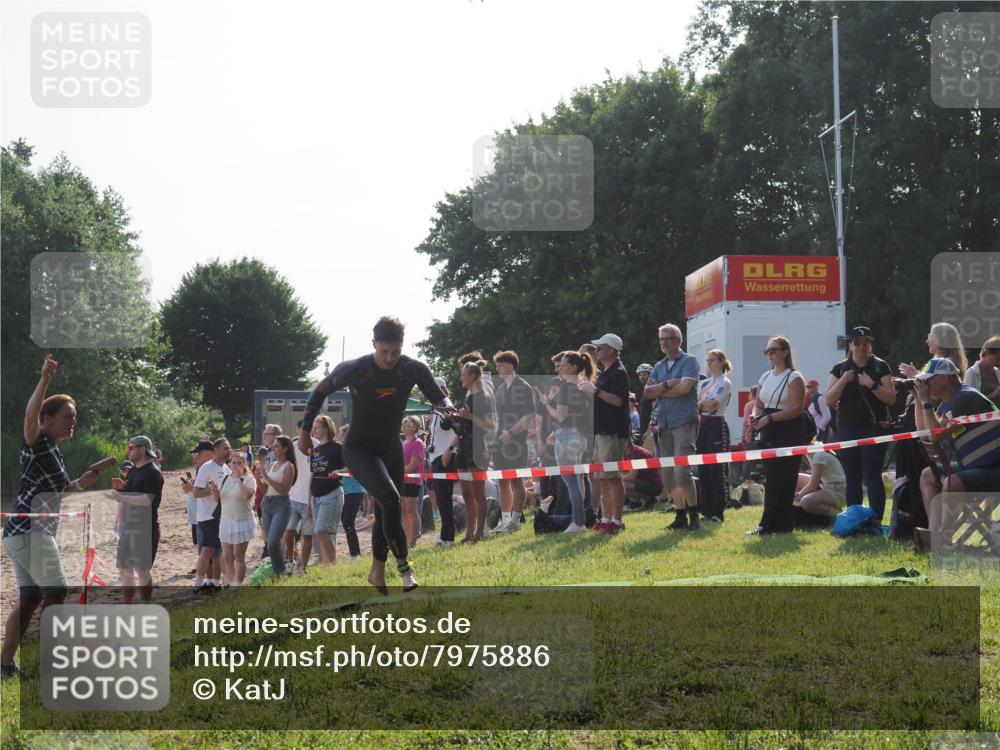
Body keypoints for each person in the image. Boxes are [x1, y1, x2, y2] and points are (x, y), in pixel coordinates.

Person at [298, 316, 451, 594]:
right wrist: (306, 431)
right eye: (384, 351)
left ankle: (377, 572)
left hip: (391, 448)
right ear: (374, 344)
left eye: (396, 351)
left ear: (402, 346)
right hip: (359, 448)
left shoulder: (412, 368)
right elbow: (317, 393)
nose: (390, 358)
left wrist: (448, 409)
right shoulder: (355, 369)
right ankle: (405, 570)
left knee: (386, 510)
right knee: (391, 499)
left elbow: (439, 396)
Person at [2, 355, 99, 679]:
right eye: (67, 416)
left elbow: (57, 489)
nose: (73, 421)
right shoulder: (38, 440)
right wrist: (45, 378)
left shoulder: (53, 450)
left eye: (75, 416)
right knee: (56, 591)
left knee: (30, 598)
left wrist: (79, 484)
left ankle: (4, 665)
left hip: (21, 531)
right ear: (48, 420)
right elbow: (29, 416)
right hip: (31, 530)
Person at [914, 357, 1000, 544]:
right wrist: (918, 401)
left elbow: (935, 435)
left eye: (928, 380)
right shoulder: (948, 402)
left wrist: (926, 402)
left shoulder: (965, 397)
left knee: (953, 483)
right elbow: (925, 435)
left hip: (994, 467)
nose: (925, 385)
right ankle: (933, 534)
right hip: (975, 465)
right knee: (928, 475)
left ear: (944, 379)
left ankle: (942, 540)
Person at [824, 326, 896, 522]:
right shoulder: (840, 369)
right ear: (850, 345)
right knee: (852, 477)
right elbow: (828, 399)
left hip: (874, 429)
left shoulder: (880, 366)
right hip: (847, 428)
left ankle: (875, 521)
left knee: (873, 476)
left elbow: (891, 399)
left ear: (870, 345)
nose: (861, 347)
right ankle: (854, 520)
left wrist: (871, 384)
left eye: (865, 343)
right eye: (857, 343)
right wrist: (844, 380)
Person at [746, 336, 806, 536]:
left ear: (785, 352)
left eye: (774, 350)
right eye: (767, 351)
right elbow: (758, 404)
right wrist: (755, 417)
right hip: (769, 430)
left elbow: (797, 409)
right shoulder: (764, 377)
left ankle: (781, 523)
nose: (770, 355)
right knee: (771, 477)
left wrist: (769, 419)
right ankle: (769, 522)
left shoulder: (794, 377)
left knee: (785, 478)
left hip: (789, 431)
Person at [644, 323, 701, 530]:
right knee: (668, 475)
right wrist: (668, 384)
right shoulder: (659, 366)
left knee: (682, 473)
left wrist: (659, 390)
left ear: (678, 340)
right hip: (664, 424)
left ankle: (694, 515)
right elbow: (647, 393)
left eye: (669, 338)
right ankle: (680, 516)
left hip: (684, 421)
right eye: (662, 339)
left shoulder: (690, 361)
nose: (665, 343)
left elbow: (685, 389)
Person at [537, 351, 595, 533]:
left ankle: (578, 522)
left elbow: (561, 417)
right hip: (579, 437)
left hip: (568, 437)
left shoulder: (567, 389)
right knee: (577, 480)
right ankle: (579, 519)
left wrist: (546, 404)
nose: (560, 367)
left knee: (571, 481)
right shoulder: (582, 388)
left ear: (574, 367)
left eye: (563, 364)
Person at [580, 333, 630, 534]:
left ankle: (616, 521)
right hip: (601, 431)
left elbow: (618, 401)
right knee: (603, 478)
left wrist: (595, 392)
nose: (597, 351)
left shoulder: (618, 372)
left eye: (600, 347)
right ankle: (607, 517)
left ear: (611, 350)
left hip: (612, 432)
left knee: (612, 477)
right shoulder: (607, 372)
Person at [112, 435, 164, 603]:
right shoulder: (133, 470)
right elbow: (131, 494)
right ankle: (129, 605)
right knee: (124, 567)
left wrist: (120, 498)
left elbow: (146, 500)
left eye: (131, 447)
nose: (129, 450)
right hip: (129, 526)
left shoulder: (153, 472)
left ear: (142, 449)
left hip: (145, 528)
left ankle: (146, 603)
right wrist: (121, 490)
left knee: (142, 570)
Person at [491, 350, 538, 534]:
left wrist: (510, 433)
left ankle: (516, 521)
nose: (498, 368)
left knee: (517, 480)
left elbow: (529, 415)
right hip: (499, 442)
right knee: (502, 481)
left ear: (511, 364)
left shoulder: (524, 387)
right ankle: (505, 520)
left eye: (501, 364)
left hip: (517, 442)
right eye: (497, 365)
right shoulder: (500, 389)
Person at [451, 360, 497, 543]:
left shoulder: (484, 398)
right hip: (463, 448)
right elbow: (464, 427)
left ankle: (479, 533)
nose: (461, 377)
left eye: (463, 374)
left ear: (472, 376)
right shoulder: (468, 396)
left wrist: (470, 416)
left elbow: (490, 425)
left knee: (478, 494)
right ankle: (469, 533)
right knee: (467, 494)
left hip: (477, 448)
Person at [696, 349, 733, 522]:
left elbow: (713, 405)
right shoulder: (704, 384)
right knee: (703, 469)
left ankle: (719, 511)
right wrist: (703, 404)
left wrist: (703, 404)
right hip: (703, 426)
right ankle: (707, 510)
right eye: (707, 359)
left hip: (717, 425)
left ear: (721, 362)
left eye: (712, 360)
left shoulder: (724, 382)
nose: (709, 363)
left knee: (717, 469)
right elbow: (698, 406)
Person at [213, 451, 257, 585]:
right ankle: (233, 584)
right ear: (230, 464)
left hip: (241, 521)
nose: (236, 465)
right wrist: (214, 492)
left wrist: (239, 479)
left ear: (245, 464)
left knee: (239, 556)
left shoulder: (250, 479)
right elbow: (218, 500)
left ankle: (238, 585)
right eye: (234, 463)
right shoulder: (225, 479)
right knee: (227, 557)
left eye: (240, 462)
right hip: (226, 521)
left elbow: (245, 496)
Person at [192, 438, 231, 592]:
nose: (229, 451)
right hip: (208, 516)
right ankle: (225, 582)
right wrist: (213, 490)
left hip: (221, 515)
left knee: (210, 550)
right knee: (221, 549)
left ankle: (210, 583)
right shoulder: (207, 468)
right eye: (225, 448)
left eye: (229, 448)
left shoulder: (227, 468)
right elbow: (196, 492)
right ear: (216, 451)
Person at [257, 435, 297, 577]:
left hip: (282, 505)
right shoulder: (273, 465)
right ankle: (279, 574)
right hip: (267, 503)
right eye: (273, 446)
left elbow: (284, 490)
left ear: (285, 449)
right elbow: (265, 490)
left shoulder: (289, 466)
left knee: (273, 542)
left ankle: (280, 573)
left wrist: (266, 477)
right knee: (271, 544)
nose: (273, 449)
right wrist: (258, 477)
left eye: (276, 446)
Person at [426, 380, 458, 546]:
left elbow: (457, 431)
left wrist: (449, 450)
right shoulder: (436, 409)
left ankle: (449, 538)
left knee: (445, 499)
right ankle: (444, 537)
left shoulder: (447, 407)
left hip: (445, 457)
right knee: (441, 500)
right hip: (436, 457)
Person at [309, 415, 344, 565]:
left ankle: (332, 565)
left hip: (332, 494)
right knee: (323, 533)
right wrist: (308, 498)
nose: (313, 430)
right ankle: (326, 566)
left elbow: (350, 467)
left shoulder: (337, 448)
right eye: (313, 427)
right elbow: (313, 473)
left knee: (321, 530)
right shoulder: (315, 450)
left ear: (326, 428)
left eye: (317, 427)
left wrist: (338, 471)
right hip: (315, 496)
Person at [793, 435, 847, 529]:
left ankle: (838, 516)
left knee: (806, 502)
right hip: (825, 485)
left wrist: (797, 495)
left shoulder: (818, 456)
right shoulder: (815, 447)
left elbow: (813, 486)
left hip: (838, 492)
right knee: (794, 479)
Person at [285, 426, 318, 573]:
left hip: (309, 498)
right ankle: (290, 561)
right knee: (288, 531)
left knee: (307, 534)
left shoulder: (318, 445)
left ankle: (302, 567)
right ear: (299, 430)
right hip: (293, 496)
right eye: (303, 429)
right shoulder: (292, 446)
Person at [337, 423, 367, 560]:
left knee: (348, 521)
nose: (340, 437)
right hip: (342, 490)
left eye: (342, 434)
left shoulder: (355, 450)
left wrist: (339, 471)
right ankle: (353, 553)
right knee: (345, 522)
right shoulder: (341, 450)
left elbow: (353, 468)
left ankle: (355, 554)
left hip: (354, 490)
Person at [899, 322, 969, 380]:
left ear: (942, 339)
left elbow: (931, 387)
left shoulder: (947, 364)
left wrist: (914, 374)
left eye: (931, 336)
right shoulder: (938, 361)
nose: (927, 341)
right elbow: (927, 379)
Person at [400, 416, 425, 545]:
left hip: (413, 481)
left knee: (411, 510)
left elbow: (414, 464)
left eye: (408, 425)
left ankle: (412, 540)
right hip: (403, 481)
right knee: (404, 511)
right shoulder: (403, 443)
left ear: (415, 427)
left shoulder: (418, 443)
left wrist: (398, 472)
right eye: (404, 425)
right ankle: (406, 538)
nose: (405, 427)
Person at [622, 441, 663, 510]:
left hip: (654, 485)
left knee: (622, 484)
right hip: (642, 481)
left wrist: (616, 479)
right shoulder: (626, 453)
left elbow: (631, 477)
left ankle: (650, 499)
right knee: (621, 483)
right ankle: (635, 503)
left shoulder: (636, 452)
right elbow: (625, 473)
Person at [965, 336, 1000, 404]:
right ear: (987, 353)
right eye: (998, 358)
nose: (999, 361)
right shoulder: (971, 373)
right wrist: (992, 395)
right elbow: (968, 401)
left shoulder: (998, 372)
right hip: (981, 413)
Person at [741, 384, 760, 481]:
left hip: (750, 436)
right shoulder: (764, 404)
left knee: (748, 460)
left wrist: (743, 436)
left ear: (752, 394)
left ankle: (745, 481)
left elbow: (745, 423)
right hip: (763, 437)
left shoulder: (749, 405)